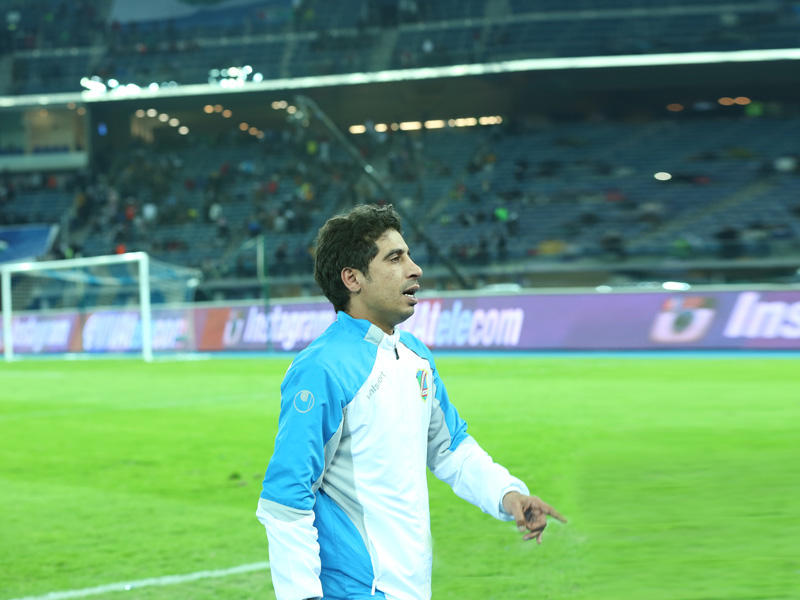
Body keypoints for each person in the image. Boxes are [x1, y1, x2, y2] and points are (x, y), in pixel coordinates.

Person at [256, 204, 565, 600]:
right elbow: (286, 495)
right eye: (395, 258)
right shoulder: (322, 368)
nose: (415, 269)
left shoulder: (416, 355)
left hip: (410, 587)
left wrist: (508, 495)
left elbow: (450, 449)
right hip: (356, 590)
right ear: (352, 278)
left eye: (409, 256)